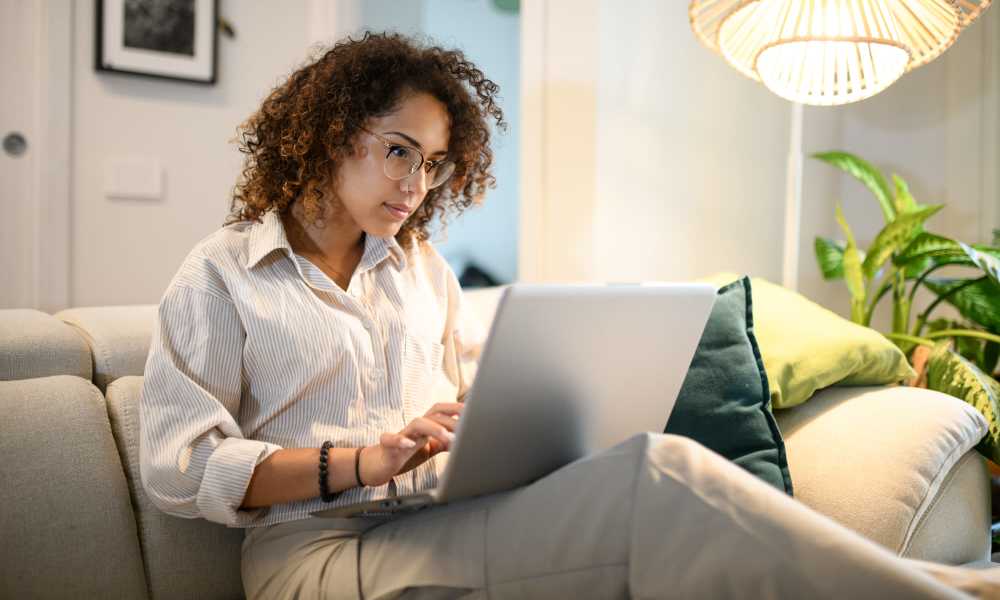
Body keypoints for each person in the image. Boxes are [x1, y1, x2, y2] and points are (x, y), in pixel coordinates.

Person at [140, 32, 998, 599]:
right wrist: (365, 459)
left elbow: (450, 422)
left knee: (644, 463)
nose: (416, 184)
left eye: (435, 164)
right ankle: (942, 592)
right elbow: (183, 470)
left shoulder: (419, 272)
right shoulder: (222, 275)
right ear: (330, 135)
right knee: (653, 481)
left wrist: (470, 428)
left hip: (429, 522)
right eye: (399, 150)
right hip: (311, 561)